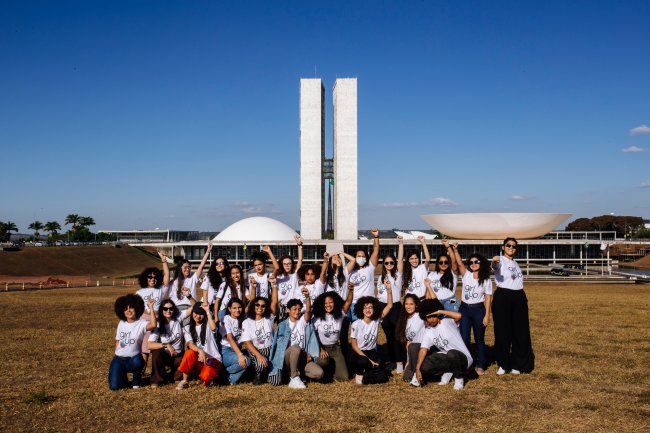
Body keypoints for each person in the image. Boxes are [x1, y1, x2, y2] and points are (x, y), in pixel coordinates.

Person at [491, 237, 535, 375]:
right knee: (503, 331)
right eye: (508, 245)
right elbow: (494, 266)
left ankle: (518, 364)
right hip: (503, 296)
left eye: (514, 246)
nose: (511, 247)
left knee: (520, 331)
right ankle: (503, 364)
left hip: (519, 297)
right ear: (503, 247)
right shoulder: (500, 260)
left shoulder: (515, 263)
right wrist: (494, 261)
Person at [268, 288, 323, 388]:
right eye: (294, 309)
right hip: (287, 357)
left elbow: (308, 310)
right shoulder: (283, 325)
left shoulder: (303, 322)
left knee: (319, 373)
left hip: (301, 356)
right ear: (288, 310)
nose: (297, 312)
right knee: (296, 347)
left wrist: (307, 297)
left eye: (299, 309)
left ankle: (294, 373)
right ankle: (294, 377)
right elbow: (279, 346)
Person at [450, 244, 493, 375]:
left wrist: (487, 315)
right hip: (464, 309)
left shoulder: (486, 280)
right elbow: (458, 262)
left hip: (478, 310)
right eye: (471, 262)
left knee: (479, 339)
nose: (473, 264)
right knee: (464, 338)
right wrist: (455, 249)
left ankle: (480, 364)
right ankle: (467, 362)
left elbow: (488, 298)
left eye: (476, 262)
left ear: (482, 263)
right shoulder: (466, 274)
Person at [414, 299, 472, 390]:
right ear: (425, 319)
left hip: (464, 359)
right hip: (448, 358)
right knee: (424, 366)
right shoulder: (428, 332)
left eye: (433, 316)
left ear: (437, 315)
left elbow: (459, 315)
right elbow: (423, 349)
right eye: (429, 317)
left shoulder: (446, 322)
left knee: (452, 353)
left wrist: (440, 311)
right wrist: (417, 369)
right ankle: (449, 371)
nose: (432, 319)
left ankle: (459, 378)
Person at [108, 294, 156, 390]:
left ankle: (136, 378)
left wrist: (151, 308)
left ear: (136, 309)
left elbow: (153, 325)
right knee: (114, 386)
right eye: (126, 309)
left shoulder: (141, 323)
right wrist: (116, 353)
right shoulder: (121, 323)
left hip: (133, 359)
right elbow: (118, 340)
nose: (129, 311)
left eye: (131, 308)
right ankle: (122, 376)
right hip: (119, 359)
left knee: (138, 361)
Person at [350, 284, 393, 385]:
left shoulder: (376, 320)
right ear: (361, 309)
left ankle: (367, 376)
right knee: (363, 362)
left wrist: (389, 290)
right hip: (360, 353)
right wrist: (368, 360)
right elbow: (354, 345)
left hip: (372, 352)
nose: (368, 310)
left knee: (383, 378)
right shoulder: (356, 324)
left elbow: (390, 305)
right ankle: (359, 374)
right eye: (365, 308)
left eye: (370, 307)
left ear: (374, 309)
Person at [134, 252, 170, 371]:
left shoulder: (160, 290)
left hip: (159, 321)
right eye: (150, 277)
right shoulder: (139, 293)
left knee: (158, 347)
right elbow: (137, 309)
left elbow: (166, 278)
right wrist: (150, 312)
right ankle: (141, 371)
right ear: (145, 278)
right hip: (145, 322)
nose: (152, 279)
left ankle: (158, 371)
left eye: (155, 277)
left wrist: (164, 261)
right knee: (145, 348)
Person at [176, 303, 222, 389]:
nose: (198, 316)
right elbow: (190, 343)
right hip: (200, 359)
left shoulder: (208, 324)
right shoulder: (187, 328)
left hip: (213, 359)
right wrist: (200, 351)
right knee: (189, 353)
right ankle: (185, 381)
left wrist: (208, 311)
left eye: (201, 314)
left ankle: (210, 377)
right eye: (196, 313)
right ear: (192, 312)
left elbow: (213, 328)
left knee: (206, 378)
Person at [312, 287, 353, 382]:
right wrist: (320, 349)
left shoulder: (340, 315)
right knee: (323, 361)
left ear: (335, 303)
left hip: (335, 348)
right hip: (322, 348)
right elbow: (313, 336)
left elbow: (348, 302)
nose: (328, 305)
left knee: (344, 377)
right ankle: (321, 370)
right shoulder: (317, 318)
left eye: (331, 302)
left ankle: (331, 370)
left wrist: (350, 290)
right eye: (325, 303)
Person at [376, 235, 404, 372]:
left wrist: (400, 244)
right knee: (388, 335)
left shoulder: (397, 275)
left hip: (396, 307)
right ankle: (392, 360)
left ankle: (400, 362)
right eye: (386, 263)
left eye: (391, 263)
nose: (389, 265)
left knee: (397, 336)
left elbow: (400, 259)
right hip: (383, 306)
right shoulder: (381, 278)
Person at [241, 287, 278, 385]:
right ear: (253, 306)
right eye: (257, 305)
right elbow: (248, 343)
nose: (260, 308)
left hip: (270, 349)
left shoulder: (269, 318)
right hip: (256, 350)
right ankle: (257, 373)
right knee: (261, 365)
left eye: (263, 306)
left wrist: (274, 286)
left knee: (275, 382)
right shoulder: (247, 322)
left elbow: (274, 302)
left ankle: (268, 373)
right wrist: (259, 356)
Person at [147, 300, 188, 387]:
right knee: (156, 352)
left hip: (177, 354)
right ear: (161, 310)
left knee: (182, 359)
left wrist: (189, 296)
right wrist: (166, 345)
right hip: (165, 355)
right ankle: (156, 379)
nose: (168, 311)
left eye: (171, 309)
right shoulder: (158, 324)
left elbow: (193, 308)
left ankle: (174, 377)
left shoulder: (178, 317)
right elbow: (149, 345)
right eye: (165, 309)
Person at [347, 228, 380, 321]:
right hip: (355, 303)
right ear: (355, 257)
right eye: (358, 256)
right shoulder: (351, 271)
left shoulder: (370, 267)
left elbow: (376, 250)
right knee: (357, 329)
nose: (361, 258)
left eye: (363, 256)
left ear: (366, 258)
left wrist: (376, 236)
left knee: (369, 328)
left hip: (369, 303)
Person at [170, 244, 212, 317]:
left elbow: (201, 266)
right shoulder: (173, 282)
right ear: (180, 268)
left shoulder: (192, 279)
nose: (188, 269)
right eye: (185, 267)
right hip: (177, 309)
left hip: (190, 308)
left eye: (189, 267)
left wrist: (207, 252)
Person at [269, 235, 303, 320]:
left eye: (289, 263)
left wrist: (299, 245)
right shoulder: (278, 277)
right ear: (282, 265)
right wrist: (269, 251)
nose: (287, 265)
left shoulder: (295, 275)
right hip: (280, 308)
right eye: (285, 264)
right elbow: (276, 268)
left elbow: (300, 260)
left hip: (292, 307)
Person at [219, 298, 251, 385]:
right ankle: (227, 378)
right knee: (246, 361)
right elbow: (229, 338)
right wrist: (240, 355)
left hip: (238, 349)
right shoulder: (225, 319)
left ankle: (227, 374)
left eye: (239, 307)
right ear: (229, 309)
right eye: (234, 308)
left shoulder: (244, 319)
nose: (237, 310)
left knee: (253, 357)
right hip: (226, 351)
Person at [394, 294, 424, 382]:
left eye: (411, 304)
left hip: (422, 349)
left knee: (413, 346)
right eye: (406, 304)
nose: (408, 306)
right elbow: (408, 341)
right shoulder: (404, 318)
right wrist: (408, 362)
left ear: (416, 305)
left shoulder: (420, 316)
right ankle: (412, 366)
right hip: (412, 353)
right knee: (406, 377)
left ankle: (417, 372)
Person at [424, 239, 460, 311]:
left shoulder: (453, 273)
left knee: (452, 321)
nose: (443, 264)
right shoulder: (432, 274)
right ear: (437, 263)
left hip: (450, 302)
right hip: (436, 303)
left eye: (446, 262)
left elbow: (454, 260)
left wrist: (448, 247)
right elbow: (428, 292)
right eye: (441, 262)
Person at [401, 235, 431, 299]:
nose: (414, 260)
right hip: (409, 300)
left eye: (416, 258)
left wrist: (423, 242)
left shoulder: (422, 268)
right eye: (411, 259)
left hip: (421, 299)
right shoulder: (406, 271)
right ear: (408, 260)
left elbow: (428, 259)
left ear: (419, 259)